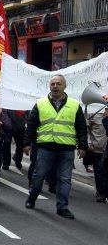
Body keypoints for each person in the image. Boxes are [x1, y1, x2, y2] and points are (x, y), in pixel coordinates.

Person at [23, 75, 88, 219]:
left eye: (58, 84)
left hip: (66, 149)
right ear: (49, 86)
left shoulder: (74, 104)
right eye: (52, 84)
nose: (55, 86)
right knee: (39, 175)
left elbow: (81, 127)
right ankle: (32, 198)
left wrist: (83, 146)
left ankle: (62, 207)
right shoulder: (40, 103)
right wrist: (26, 143)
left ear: (64, 86)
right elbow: (31, 125)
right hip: (45, 148)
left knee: (64, 179)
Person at [87, 104, 107, 202]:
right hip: (97, 148)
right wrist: (89, 142)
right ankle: (101, 193)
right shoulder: (94, 111)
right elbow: (86, 128)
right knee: (100, 172)